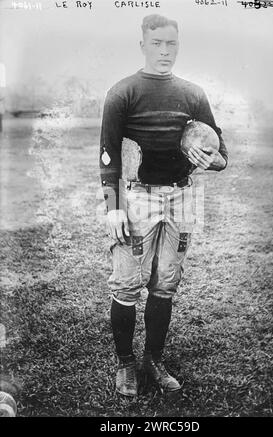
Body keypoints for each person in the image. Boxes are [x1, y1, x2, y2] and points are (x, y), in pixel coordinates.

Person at [99, 14, 228, 397]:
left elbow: (222, 153)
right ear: (143, 45)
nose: (164, 51)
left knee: (166, 281)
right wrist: (113, 206)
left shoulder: (193, 94)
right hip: (136, 196)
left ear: (178, 45)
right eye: (156, 43)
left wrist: (214, 161)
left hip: (183, 195)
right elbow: (107, 156)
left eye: (171, 43)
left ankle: (153, 360)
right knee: (126, 283)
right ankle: (126, 364)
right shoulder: (123, 92)